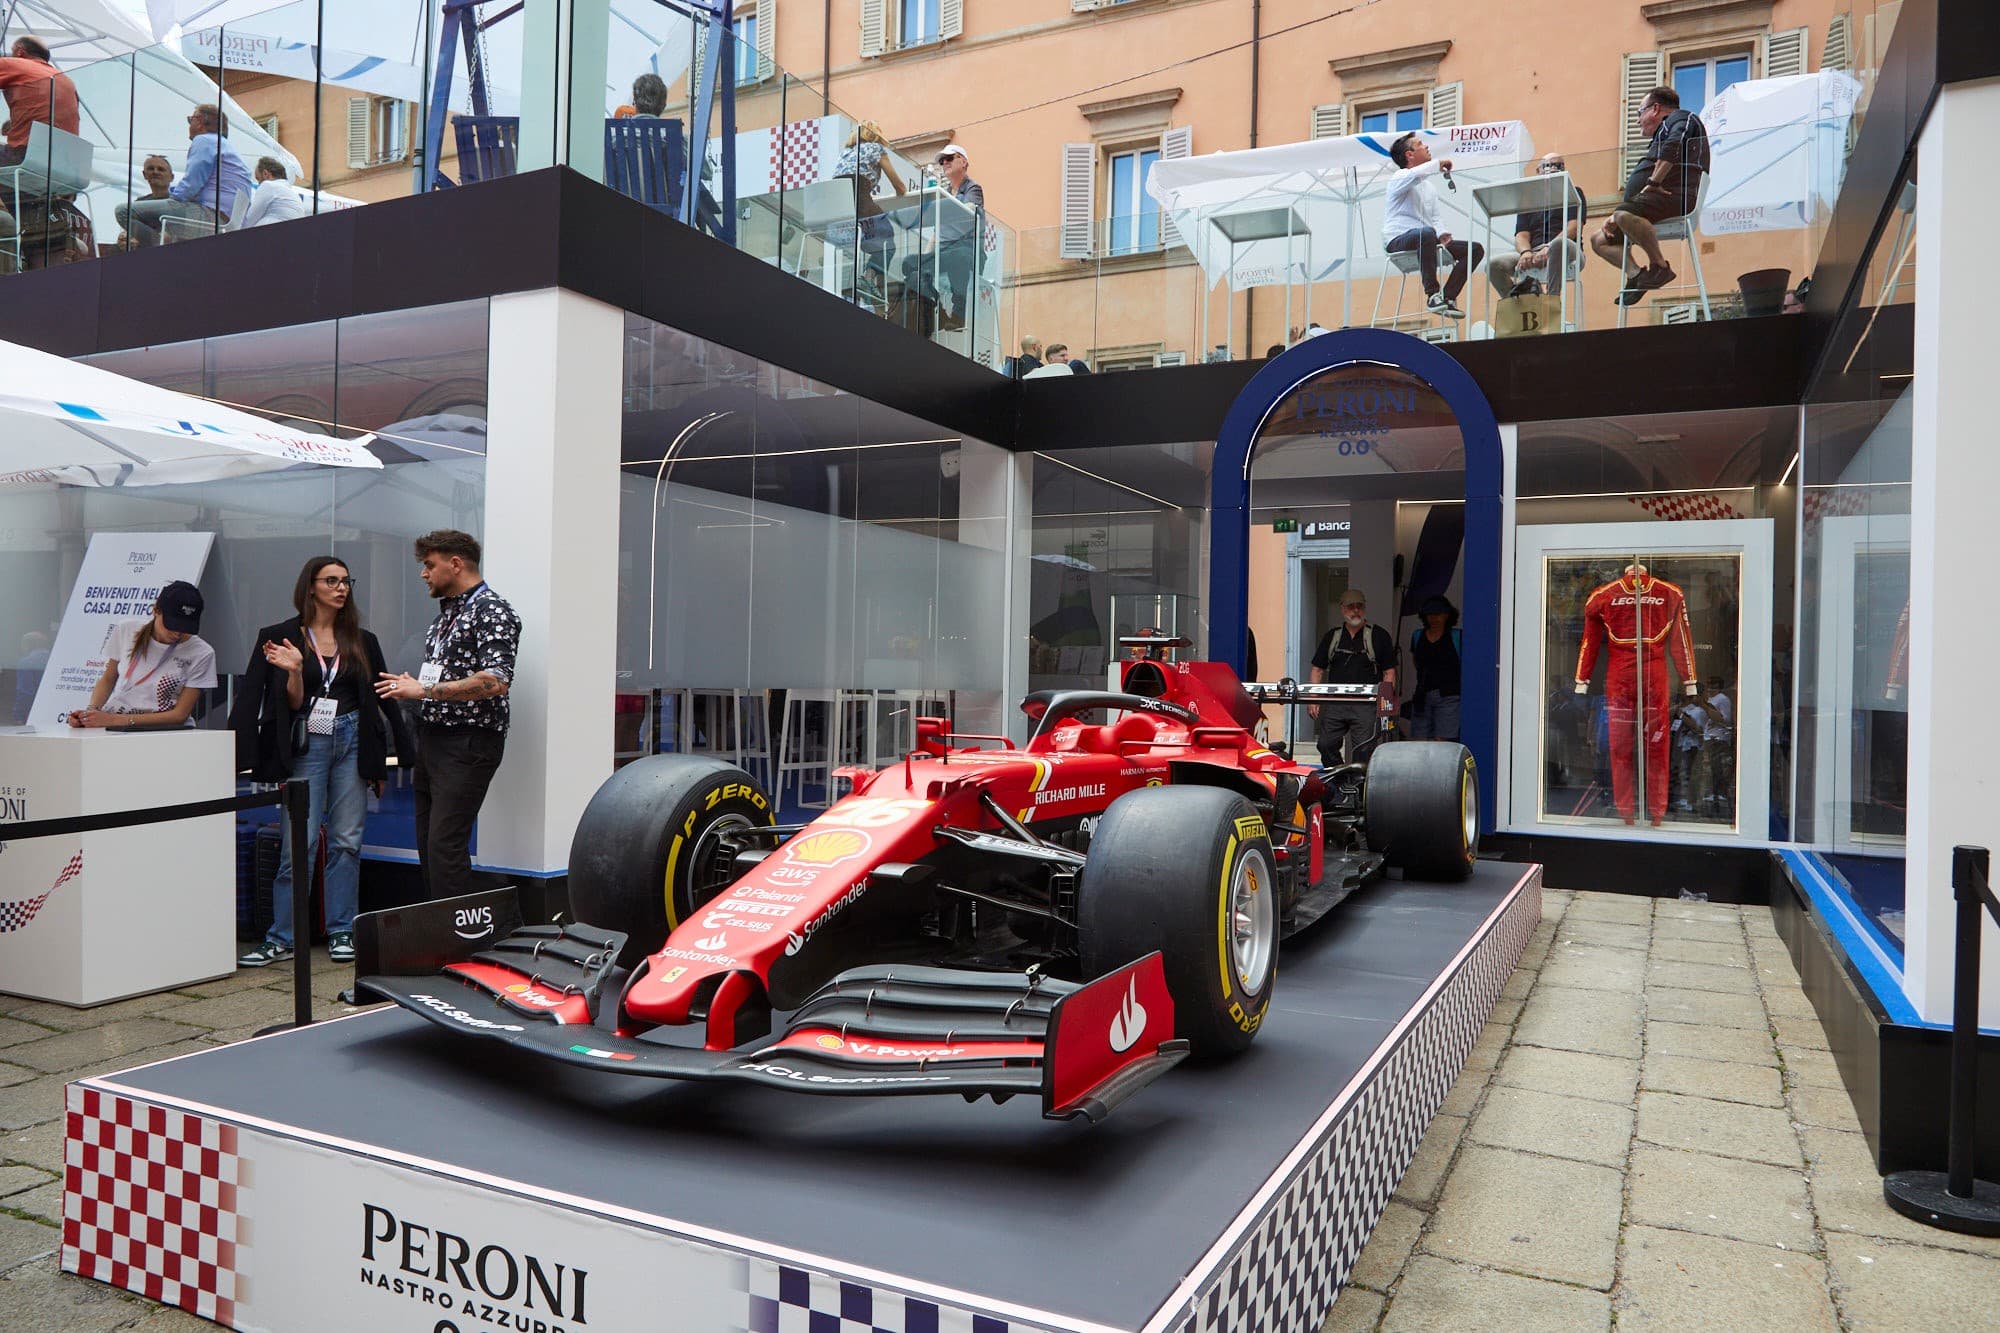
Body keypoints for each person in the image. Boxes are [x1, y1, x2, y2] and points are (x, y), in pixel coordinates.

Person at [232, 557, 412, 967]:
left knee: (347, 841)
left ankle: (342, 930)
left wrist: (386, 761)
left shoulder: (361, 639)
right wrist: (295, 670)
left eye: (347, 581)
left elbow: (378, 698)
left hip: (351, 740)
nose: (341, 587)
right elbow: (285, 703)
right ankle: (281, 937)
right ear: (310, 587)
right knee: (299, 842)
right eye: (331, 580)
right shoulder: (280, 637)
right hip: (306, 742)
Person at [374, 530, 521, 901]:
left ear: (455, 564)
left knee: (444, 844)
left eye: (429, 565)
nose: (424, 573)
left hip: (469, 740)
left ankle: (458, 941)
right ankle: (438, 929)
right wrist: (418, 686)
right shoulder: (447, 615)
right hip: (434, 738)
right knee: (428, 843)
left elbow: (495, 681)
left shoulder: (492, 610)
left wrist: (424, 691)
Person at [1592, 86, 1708, 306]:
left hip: (1676, 196)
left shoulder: (1681, 118)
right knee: (1598, 239)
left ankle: (1660, 267)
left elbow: (1675, 145)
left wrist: (1653, 182)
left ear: (1655, 109)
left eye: (1639, 113)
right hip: (1649, 205)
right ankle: (1637, 276)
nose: (1637, 121)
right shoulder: (1662, 132)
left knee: (1624, 215)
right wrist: (1617, 213)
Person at [66, 582, 215, 730]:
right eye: (172, 624)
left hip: (165, 732)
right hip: (117, 726)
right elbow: (108, 678)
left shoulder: (202, 653)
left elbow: (179, 715)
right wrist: (90, 714)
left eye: (186, 626)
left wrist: (115, 720)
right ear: (156, 610)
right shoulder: (127, 629)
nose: (178, 632)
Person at [1382, 132, 1482, 320]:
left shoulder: (1429, 187)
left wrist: (1442, 233)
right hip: (1397, 239)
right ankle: (1432, 294)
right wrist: (1438, 164)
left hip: (1425, 239)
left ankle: (1448, 296)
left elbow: (1435, 217)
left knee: (1475, 249)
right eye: (1420, 144)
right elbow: (1415, 175)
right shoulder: (1400, 176)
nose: (1426, 147)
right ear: (1409, 155)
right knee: (1426, 233)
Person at [124, 103, 253, 246]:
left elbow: (191, 185)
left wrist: (172, 197)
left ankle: (160, 248)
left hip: (209, 217)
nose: (189, 124)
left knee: (125, 212)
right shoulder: (227, 148)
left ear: (198, 121)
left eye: (190, 120)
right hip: (227, 222)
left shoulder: (204, 140)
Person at [1309, 589, 1397, 765]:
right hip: (1336, 703)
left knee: (1363, 750)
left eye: (1359, 606)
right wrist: (1313, 698)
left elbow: (1389, 673)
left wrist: (1385, 705)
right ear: (1342, 609)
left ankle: (1358, 787)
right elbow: (1317, 669)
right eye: (1351, 606)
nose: (1355, 610)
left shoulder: (1379, 636)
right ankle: (1339, 780)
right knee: (1325, 744)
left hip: (1366, 704)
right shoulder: (1332, 637)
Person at [1487, 154, 1588, 298]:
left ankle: (1552, 300)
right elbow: (1521, 235)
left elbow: (1573, 227)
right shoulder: (1528, 198)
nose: (1553, 169)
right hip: (1533, 252)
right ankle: (1522, 304)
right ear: (1538, 171)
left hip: (1567, 251)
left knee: (1558, 244)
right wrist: (1525, 252)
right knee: (1493, 265)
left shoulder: (1573, 192)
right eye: (1548, 165)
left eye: (1558, 166)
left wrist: (1548, 247)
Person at [831, 120, 906, 302]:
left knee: (872, 237)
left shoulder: (845, 152)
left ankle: (861, 282)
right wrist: (900, 192)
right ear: (875, 136)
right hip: (860, 200)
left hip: (840, 210)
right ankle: (868, 279)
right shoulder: (876, 149)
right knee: (888, 240)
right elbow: (899, 185)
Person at [0, 36, 78, 169]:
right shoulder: (66, 81)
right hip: (64, 164)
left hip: (25, 156)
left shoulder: (16, 64)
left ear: (20, 52)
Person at [932, 143, 984, 332]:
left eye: (949, 158)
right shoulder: (943, 193)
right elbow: (937, 233)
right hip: (945, 250)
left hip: (968, 252)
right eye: (942, 161)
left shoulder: (973, 188)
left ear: (963, 161)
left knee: (958, 256)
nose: (944, 163)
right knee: (910, 264)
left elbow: (970, 211)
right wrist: (923, 256)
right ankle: (935, 312)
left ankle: (958, 313)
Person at [1405, 595, 1462, 741]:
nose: (1434, 618)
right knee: (1419, 741)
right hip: (1422, 695)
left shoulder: (1457, 636)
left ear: (1447, 615)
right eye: (1430, 614)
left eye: (1438, 614)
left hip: (1449, 695)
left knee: (1443, 741)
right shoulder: (1418, 636)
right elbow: (1416, 663)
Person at [112, 155, 176, 249]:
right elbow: (129, 233)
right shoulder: (139, 204)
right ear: (144, 174)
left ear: (171, 177)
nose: (155, 172)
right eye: (151, 169)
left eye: (161, 169)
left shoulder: (178, 203)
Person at [240, 157, 307, 228]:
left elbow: (249, 220)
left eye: (258, 179)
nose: (259, 184)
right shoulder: (292, 193)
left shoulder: (268, 185)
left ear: (265, 174)